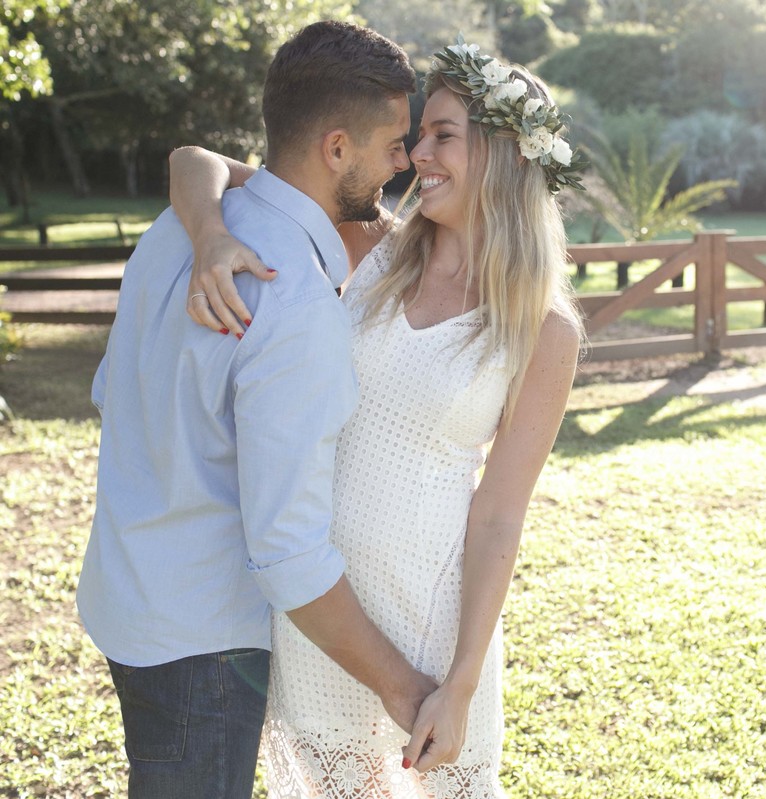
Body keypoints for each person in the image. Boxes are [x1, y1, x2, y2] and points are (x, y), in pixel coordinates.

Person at [168, 39, 586, 798]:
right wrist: (210, 236)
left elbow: (497, 516)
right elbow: (195, 161)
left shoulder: (542, 327)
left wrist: (458, 683)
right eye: (420, 133)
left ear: (502, 155)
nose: (415, 153)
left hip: (430, 627)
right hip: (324, 612)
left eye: (443, 135)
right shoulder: (377, 248)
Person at [77, 21, 438, 799]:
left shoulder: (176, 229)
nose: (403, 162)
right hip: (201, 646)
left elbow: (111, 391)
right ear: (336, 148)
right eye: (392, 144)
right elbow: (290, 556)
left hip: (123, 594)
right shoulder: (298, 304)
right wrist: (405, 687)